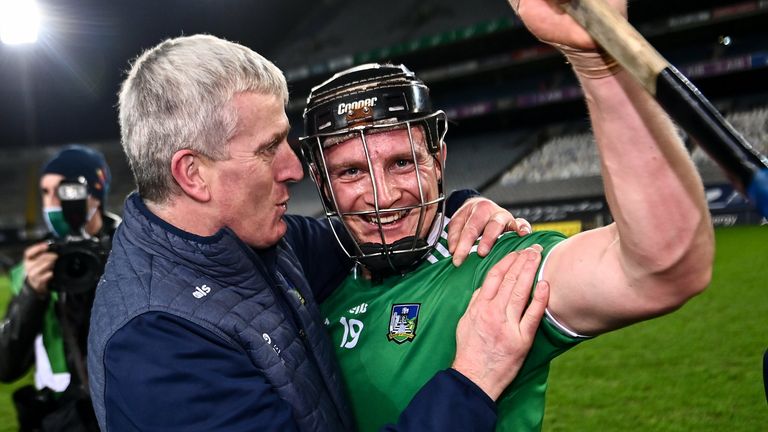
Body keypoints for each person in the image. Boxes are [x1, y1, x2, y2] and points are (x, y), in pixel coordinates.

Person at [86, 33, 547, 432]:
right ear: (193, 174)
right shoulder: (156, 348)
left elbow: (379, 227)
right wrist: (471, 382)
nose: (294, 169)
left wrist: (460, 207)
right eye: (269, 149)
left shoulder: (260, 243)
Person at [299, 1, 715, 430]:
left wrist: (599, 61)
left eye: (402, 162)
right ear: (322, 185)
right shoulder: (311, 283)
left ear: (438, 161)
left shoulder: (492, 267)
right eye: (351, 171)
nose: (383, 195)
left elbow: (662, 268)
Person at [0, 145, 119, 431]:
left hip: (125, 407)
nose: (52, 202)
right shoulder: (32, 267)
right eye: (45, 192)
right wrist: (32, 293)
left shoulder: (132, 250)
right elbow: (6, 367)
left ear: (94, 193)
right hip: (63, 417)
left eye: (64, 190)